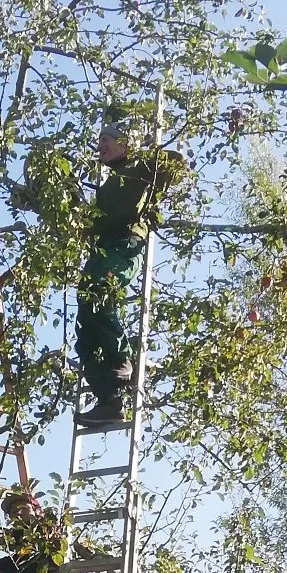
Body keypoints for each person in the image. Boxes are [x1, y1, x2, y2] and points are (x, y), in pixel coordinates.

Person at [76, 109, 185, 429]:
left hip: (123, 247)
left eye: (106, 140)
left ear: (126, 143)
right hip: (102, 249)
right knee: (86, 316)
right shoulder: (111, 183)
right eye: (100, 141)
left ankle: (124, 361)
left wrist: (155, 155)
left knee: (98, 292)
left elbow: (174, 163)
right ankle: (109, 400)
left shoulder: (139, 169)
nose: (101, 146)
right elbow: (91, 221)